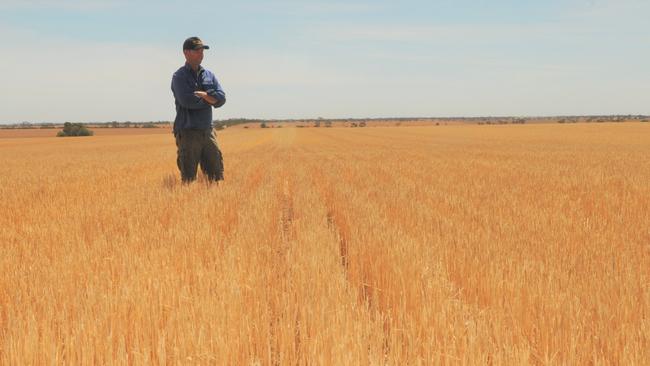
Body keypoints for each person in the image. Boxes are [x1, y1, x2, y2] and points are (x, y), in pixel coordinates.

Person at [171, 36, 226, 183]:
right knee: (188, 179)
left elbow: (222, 98)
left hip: (208, 131)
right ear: (186, 53)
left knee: (216, 177)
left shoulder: (209, 75)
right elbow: (187, 101)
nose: (201, 53)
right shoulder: (179, 77)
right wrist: (211, 100)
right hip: (188, 132)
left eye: (202, 50)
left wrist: (205, 95)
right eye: (197, 50)